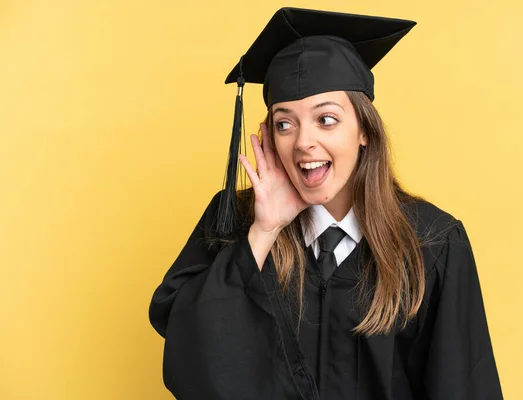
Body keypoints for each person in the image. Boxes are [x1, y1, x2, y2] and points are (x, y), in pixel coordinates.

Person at [148, 7, 503, 400]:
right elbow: (189, 355)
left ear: (364, 130)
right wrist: (264, 232)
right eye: (285, 123)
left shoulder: (432, 243)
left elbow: (463, 386)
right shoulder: (234, 222)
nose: (302, 142)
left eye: (327, 119)